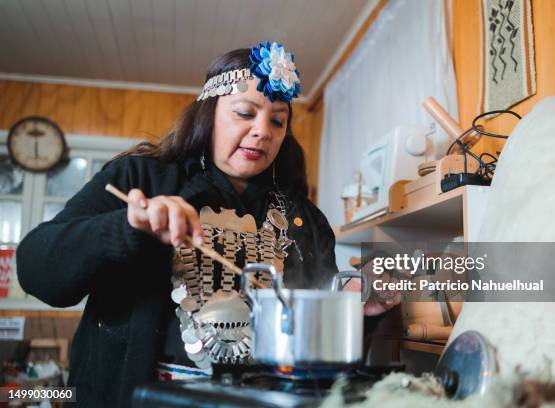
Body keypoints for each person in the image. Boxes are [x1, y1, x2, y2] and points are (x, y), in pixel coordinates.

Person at [16, 42, 397, 407]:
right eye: (245, 113)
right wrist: (126, 228)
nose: (263, 131)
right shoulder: (141, 178)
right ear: (209, 114)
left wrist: (352, 299)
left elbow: (316, 319)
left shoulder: (305, 220)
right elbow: (36, 268)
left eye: (277, 121)